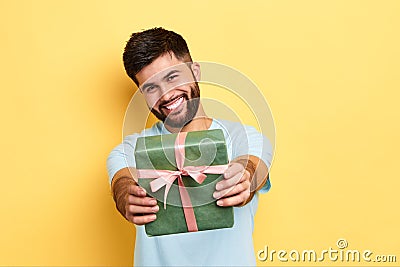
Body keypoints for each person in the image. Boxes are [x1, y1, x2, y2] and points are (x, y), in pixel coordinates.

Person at [107, 27, 273, 266]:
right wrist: (125, 196)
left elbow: (254, 166)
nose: (166, 95)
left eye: (172, 77)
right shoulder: (131, 149)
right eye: (151, 88)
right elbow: (122, 182)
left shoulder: (244, 137)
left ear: (195, 71)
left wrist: (244, 177)